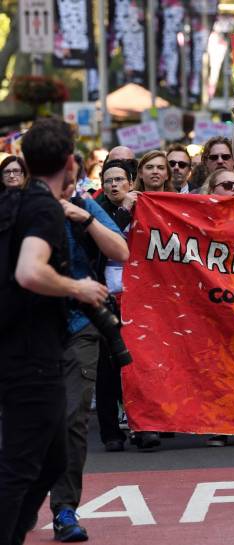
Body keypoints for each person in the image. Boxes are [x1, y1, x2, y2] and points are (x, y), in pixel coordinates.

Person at [0, 117, 108, 545]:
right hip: (31, 355)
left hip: (20, 347)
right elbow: (29, 271)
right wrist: (76, 287)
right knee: (25, 463)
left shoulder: (13, 202)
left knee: (53, 455)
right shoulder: (42, 206)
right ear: (69, 163)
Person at [48, 169, 129, 542]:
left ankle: (65, 509)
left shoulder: (86, 204)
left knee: (72, 418)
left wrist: (88, 218)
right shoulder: (18, 207)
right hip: (28, 330)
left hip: (80, 326)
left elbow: (121, 251)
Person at [93, 160, 138, 453]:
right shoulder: (94, 211)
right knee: (107, 366)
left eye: (119, 179)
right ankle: (110, 432)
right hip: (106, 297)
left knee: (139, 364)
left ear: (130, 183)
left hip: (141, 296)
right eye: (108, 180)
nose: (113, 185)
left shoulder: (146, 206)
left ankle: (142, 426)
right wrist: (123, 212)